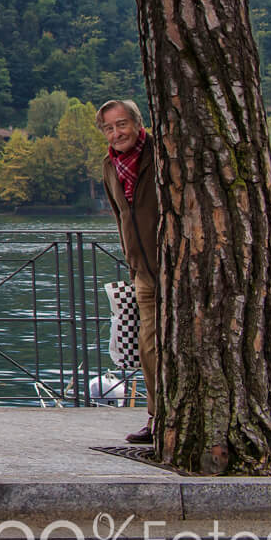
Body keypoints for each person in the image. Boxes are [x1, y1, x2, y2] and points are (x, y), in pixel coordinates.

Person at [97, 98, 160, 447]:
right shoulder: (109, 165)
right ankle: (157, 417)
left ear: (137, 123)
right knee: (148, 345)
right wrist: (131, 258)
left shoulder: (160, 153)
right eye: (109, 127)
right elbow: (120, 214)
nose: (116, 132)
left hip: (176, 265)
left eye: (122, 124)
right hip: (143, 272)